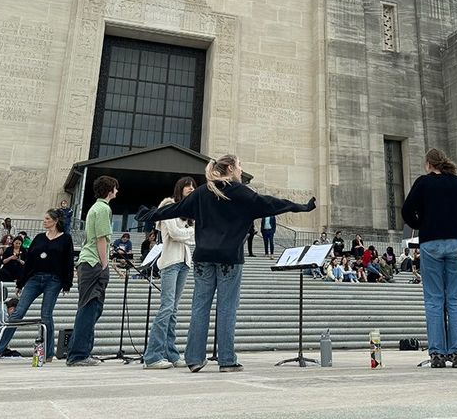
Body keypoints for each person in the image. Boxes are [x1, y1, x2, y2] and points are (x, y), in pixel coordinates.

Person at [145, 154, 316, 373]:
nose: (241, 169)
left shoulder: (201, 192)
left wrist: (148, 214)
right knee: (227, 308)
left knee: (200, 307)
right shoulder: (240, 192)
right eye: (240, 165)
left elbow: (174, 209)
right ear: (231, 168)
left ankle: (194, 358)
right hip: (229, 258)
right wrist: (300, 207)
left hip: (203, 258)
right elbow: (270, 203)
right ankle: (226, 360)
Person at [401, 147, 457, 368]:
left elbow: (407, 211)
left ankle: (437, 353)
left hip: (431, 243)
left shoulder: (423, 183)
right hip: (456, 243)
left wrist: (422, 224)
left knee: (434, 300)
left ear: (428, 164)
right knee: (456, 300)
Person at [1, 208, 75, 362]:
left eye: (47, 219)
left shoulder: (66, 239)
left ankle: (48, 353)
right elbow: (30, 261)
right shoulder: (39, 238)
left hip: (53, 280)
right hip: (35, 278)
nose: (44, 221)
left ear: (55, 221)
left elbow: (68, 262)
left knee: (46, 315)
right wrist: (21, 282)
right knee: (17, 312)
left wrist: (67, 283)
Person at [143, 176, 196, 369]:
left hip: (184, 262)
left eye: (193, 186)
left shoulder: (189, 212)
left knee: (173, 310)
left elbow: (192, 239)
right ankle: (152, 356)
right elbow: (174, 234)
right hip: (170, 262)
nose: (190, 188)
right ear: (179, 188)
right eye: (187, 186)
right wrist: (189, 234)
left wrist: (188, 235)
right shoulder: (168, 205)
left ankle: (171, 354)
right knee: (166, 308)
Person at [67, 175, 119, 367]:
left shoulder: (94, 208)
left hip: (87, 262)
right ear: (110, 189)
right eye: (116, 188)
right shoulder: (104, 208)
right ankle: (78, 354)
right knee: (90, 308)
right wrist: (105, 265)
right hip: (93, 263)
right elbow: (101, 239)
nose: (117, 191)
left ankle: (81, 351)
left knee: (90, 308)